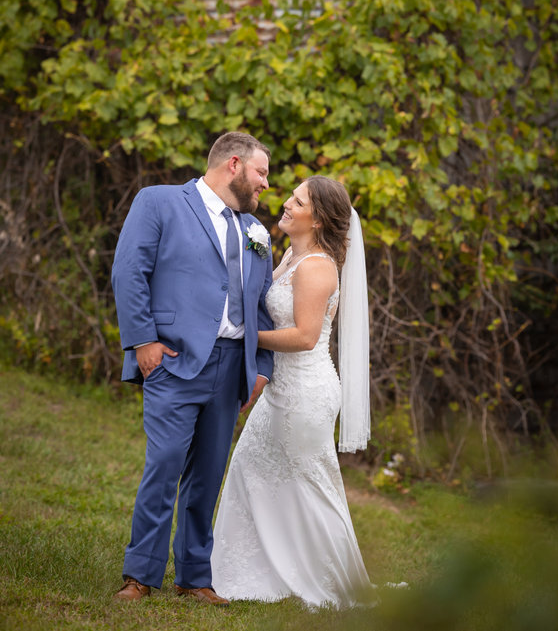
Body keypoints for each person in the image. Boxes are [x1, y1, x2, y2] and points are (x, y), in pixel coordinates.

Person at [111, 132, 274, 606]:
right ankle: (140, 574)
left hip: (232, 369)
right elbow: (129, 271)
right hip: (174, 361)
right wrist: (143, 341)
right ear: (234, 164)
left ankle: (195, 577)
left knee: (208, 476)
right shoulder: (159, 202)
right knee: (164, 466)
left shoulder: (256, 232)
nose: (266, 183)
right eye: (261, 172)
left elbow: (263, 308)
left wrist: (260, 369)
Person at [211, 175, 374, 609]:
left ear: (317, 220)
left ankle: (332, 581)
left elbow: (304, 337)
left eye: (298, 202)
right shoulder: (290, 255)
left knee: (310, 483)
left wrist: (243, 336)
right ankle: (255, 567)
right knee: (250, 467)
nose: (285, 202)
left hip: (306, 392)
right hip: (282, 389)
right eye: (292, 196)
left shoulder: (317, 267)